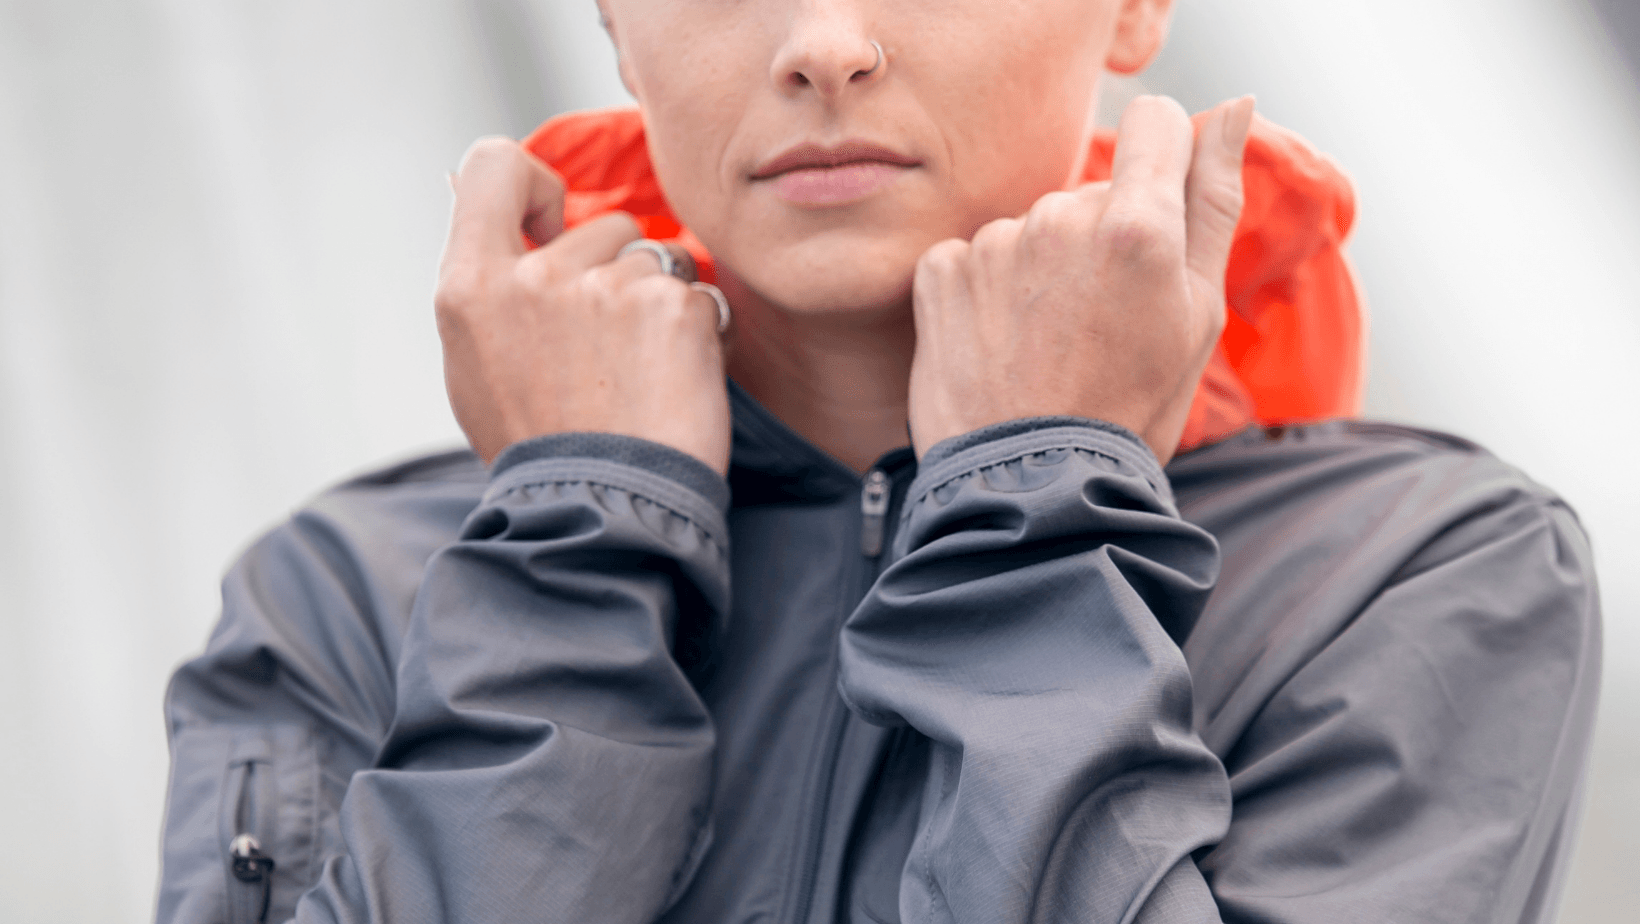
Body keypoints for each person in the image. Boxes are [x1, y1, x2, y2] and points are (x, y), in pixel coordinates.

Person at [154, 0, 1601, 921]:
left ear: (1138, 7)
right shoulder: (348, 597)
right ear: (610, 16)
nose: (825, 41)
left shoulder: (1414, 570)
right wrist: (567, 562)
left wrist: (1041, 505)